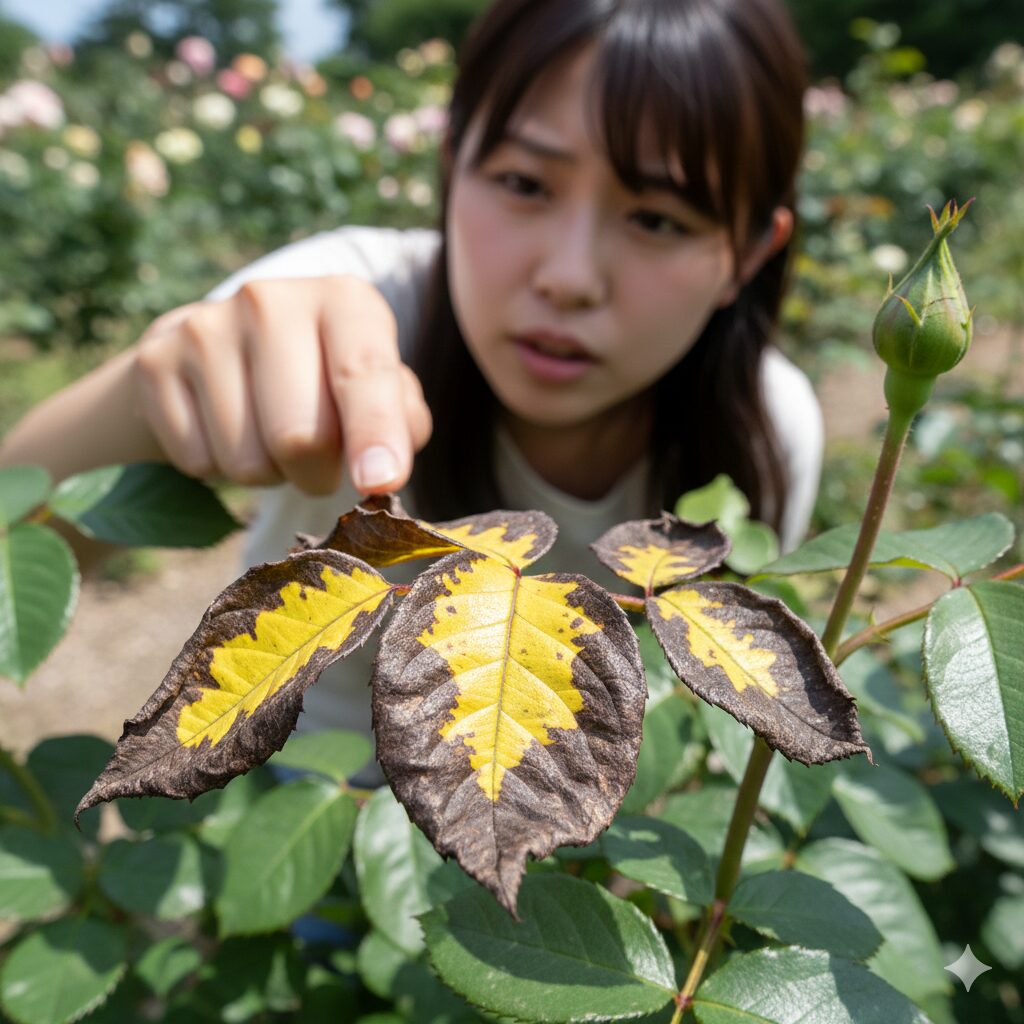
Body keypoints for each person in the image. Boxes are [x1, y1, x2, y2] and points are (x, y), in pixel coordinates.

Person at [0, 0, 822, 746]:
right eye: (524, 183)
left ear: (747, 254)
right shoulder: (356, 301)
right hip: (307, 783)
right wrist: (151, 395)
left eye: (656, 217)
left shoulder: (770, 430)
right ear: (450, 164)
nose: (570, 277)